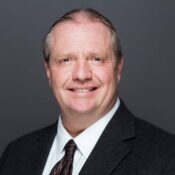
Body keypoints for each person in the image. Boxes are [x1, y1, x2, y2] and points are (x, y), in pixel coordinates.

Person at [0, 8, 175, 175]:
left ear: (118, 67)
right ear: (48, 71)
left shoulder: (166, 157)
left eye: (96, 59)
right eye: (66, 60)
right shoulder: (15, 154)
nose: (81, 74)